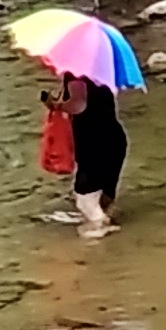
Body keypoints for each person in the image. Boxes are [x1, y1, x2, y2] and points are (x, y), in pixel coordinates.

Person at [63, 72, 128, 234]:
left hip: (92, 142)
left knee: (86, 203)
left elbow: (77, 104)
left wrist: (52, 103)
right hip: (114, 139)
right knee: (104, 199)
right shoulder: (105, 69)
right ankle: (114, 236)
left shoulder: (76, 72)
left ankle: (99, 238)